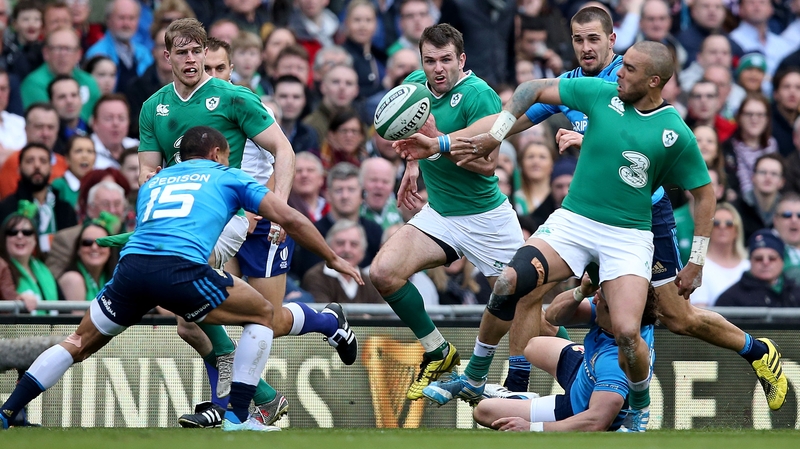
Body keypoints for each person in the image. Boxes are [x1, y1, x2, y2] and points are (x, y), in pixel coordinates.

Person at [410, 39, 746, 430]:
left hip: (628, 235)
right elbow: (530, 90)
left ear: (655, 81)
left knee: (625, 333)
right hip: (575, 221)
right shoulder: (601, 93)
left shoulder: (674, 132)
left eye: (630, 69)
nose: (618, 72)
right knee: (508, 281)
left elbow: (705, 195)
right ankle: (474, 374)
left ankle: (638, 406)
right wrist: (495, 134)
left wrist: (697, 261)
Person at [0, 125, 362, 432]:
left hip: (131, 270)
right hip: (181, 270)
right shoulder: (227, 175)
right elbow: (292, 219)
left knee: (78, 342)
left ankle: (7, 411)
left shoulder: (154, 182)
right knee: (264, 314)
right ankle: (239, 415)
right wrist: (333, 258)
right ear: (220, 153)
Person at [137, 19, 352, 429]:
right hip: (198, 221)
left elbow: (282, 151)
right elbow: (149, 168)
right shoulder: (154, 106)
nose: (195, 61)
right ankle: (257, 394)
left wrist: (278, 209)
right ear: (167, 57)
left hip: (245, 216)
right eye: (182, 52)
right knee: (200, 316)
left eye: (199, 53)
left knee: (240, 314)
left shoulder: (237, 100)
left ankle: (241, 395)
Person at [368, 23, 523, 402]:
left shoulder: (479, 96)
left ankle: (580, 372)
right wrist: (412, 166)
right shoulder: (415, 86)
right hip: (440, 214)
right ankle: (439, 351)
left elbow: (489, 167)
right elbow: (406, 139)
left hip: (488, 219)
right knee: (383, 273)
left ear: (462, 59)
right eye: (430, 60)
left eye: (446, 60)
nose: (437, 68)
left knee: (524, 310)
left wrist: (437, 146)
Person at [474, 274, 658, 432]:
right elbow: (552, 316)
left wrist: (532, 427)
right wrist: (581, 291)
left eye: (599, 299)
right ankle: (521, 397)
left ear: (615, 313)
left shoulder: (614, 365)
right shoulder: (631, 314)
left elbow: (596, 422)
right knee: (533, 346)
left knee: (483, 411)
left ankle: (520, 400)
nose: (594, 300)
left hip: (576, 408)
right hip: (584, 369)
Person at [0, 143, 77, 253]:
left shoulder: (65, 209)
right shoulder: (7, 207)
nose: (37, 165)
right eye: (30, 161)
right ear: (19, 169)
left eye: (43, 161)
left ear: (51, 169)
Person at [301, 219, 383, 304]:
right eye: (340, 243)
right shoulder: (315, 276)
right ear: (328, 247)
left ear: (363, 251)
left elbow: (384, 316)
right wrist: (365, 317)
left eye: (353, 244)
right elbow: (323, 314)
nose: (347, 249)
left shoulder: (370, 281)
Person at [716, 229, 800, 307]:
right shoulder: (730, 298)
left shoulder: (795, 293)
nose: (765, 263)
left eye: (772, 258)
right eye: (758, 258)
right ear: (750, 261)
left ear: (782, 261)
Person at [0, 207, 61, 314]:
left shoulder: (43, 269)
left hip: (51, 329)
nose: (20, 236)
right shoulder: (2, 269)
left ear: (35, 240)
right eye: (13, 232)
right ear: (3, 239)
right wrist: (17, 300)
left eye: (27, 232)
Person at [689, 203, 750, 308]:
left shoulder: (748, 266)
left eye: (729, 223)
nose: (722, 227)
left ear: (737, 230)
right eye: (716, 223)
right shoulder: (697, 267)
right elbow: (699, 311)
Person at [58, 217, 119, 308]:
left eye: (102, 243)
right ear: (78, 249)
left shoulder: (112, 277)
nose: (94, 247)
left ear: (110, 250)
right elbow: (77, 321)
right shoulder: (73, 279)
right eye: (87, 242)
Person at [50, 135, 96, 209]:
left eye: (90, 151)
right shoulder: (58, 186)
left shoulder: (100, 185)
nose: (85, 156)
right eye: (78, 151)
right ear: (67, 159)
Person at [360, 157, 403, 230]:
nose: (379, 186)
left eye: (385, 181)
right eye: (373, 180)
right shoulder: (351, 211)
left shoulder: (402, 209)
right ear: (362, 182)